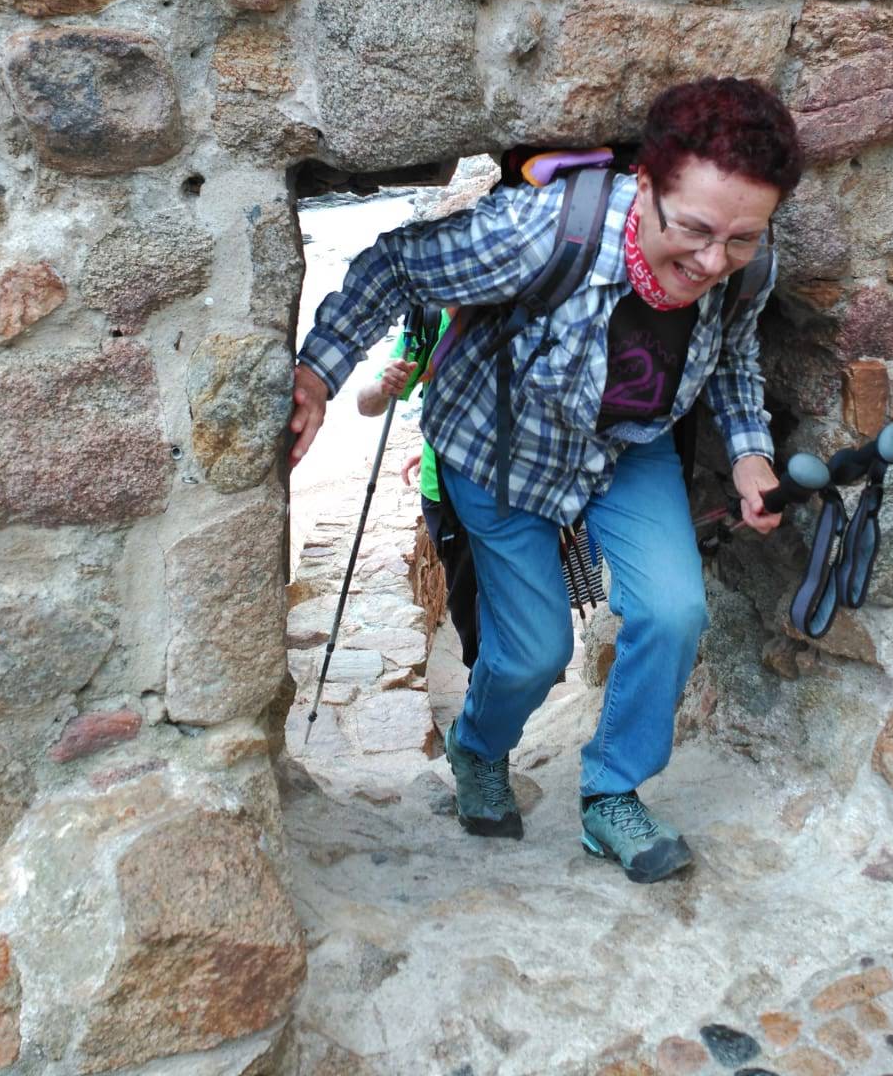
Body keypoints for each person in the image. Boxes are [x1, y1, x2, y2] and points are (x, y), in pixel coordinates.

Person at [292, 77, 803, 883]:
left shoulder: (749, 267)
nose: (713, 262)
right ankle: (478, 747)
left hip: (627, 448)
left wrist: (749, 453)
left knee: (674, 611)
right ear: (644, 186)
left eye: (740, 239)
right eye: (696, 230)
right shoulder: (542, 232)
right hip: (499, 447)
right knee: (534, 652)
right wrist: (318, 374)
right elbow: (398, 267)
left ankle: (612, 793)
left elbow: (734, 358)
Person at [356, 316, 481, 669]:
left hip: (513, 492)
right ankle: (483, 695)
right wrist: (385, 386)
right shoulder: (427, 319)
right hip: (447, 497)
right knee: (472, 616)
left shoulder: (519, 303)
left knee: (516, 618)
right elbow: (367, 404)